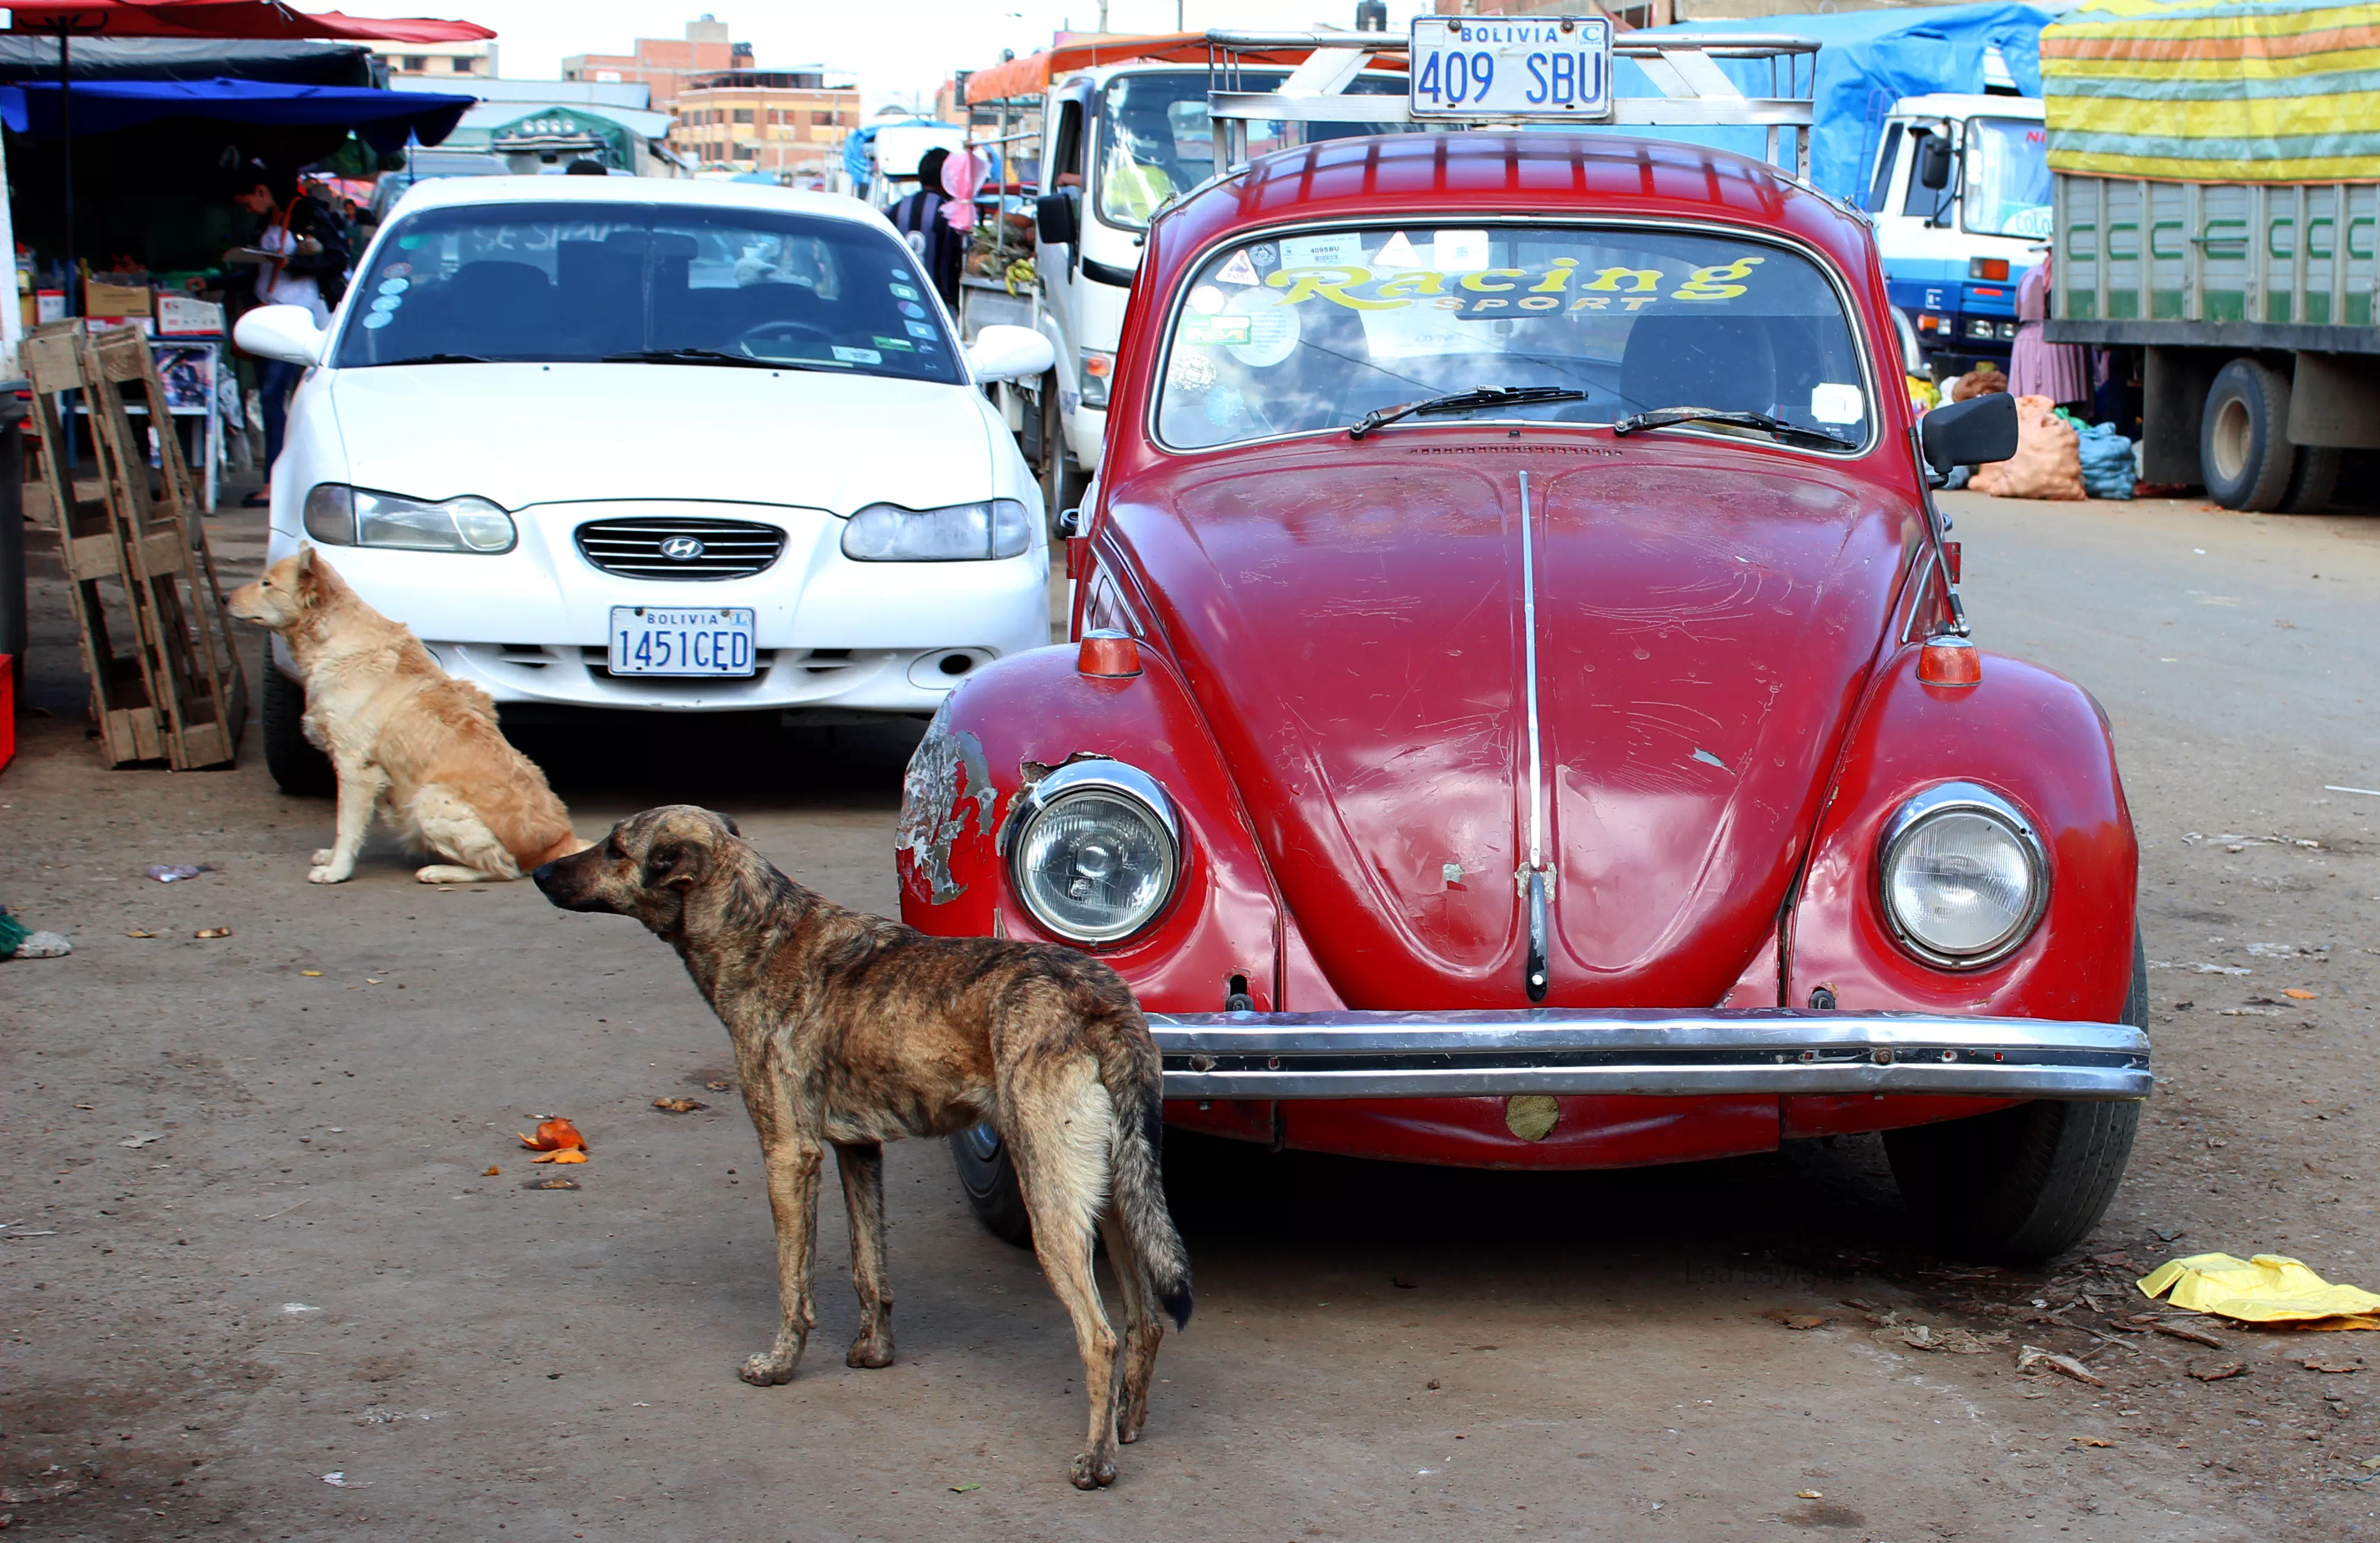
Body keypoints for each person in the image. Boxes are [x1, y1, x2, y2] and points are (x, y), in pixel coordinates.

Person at [224, 162, 350, 507]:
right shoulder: (268, 220)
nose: (247, 209)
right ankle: (279, 480)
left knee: (273, 394)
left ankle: (277, 483)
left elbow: (338, 260)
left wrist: (291, 264)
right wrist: (217, 281)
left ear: (262, 192)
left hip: (302, 318)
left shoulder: (308, 213)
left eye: (248, 201)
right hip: (269, 314)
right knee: (273, 397)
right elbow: (261, 271)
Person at [887, 147, 963, 308]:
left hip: (896, 302)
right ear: (947, 180)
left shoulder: (893, 211)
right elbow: (962, 260)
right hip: (940, 308)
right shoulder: (952, 216)